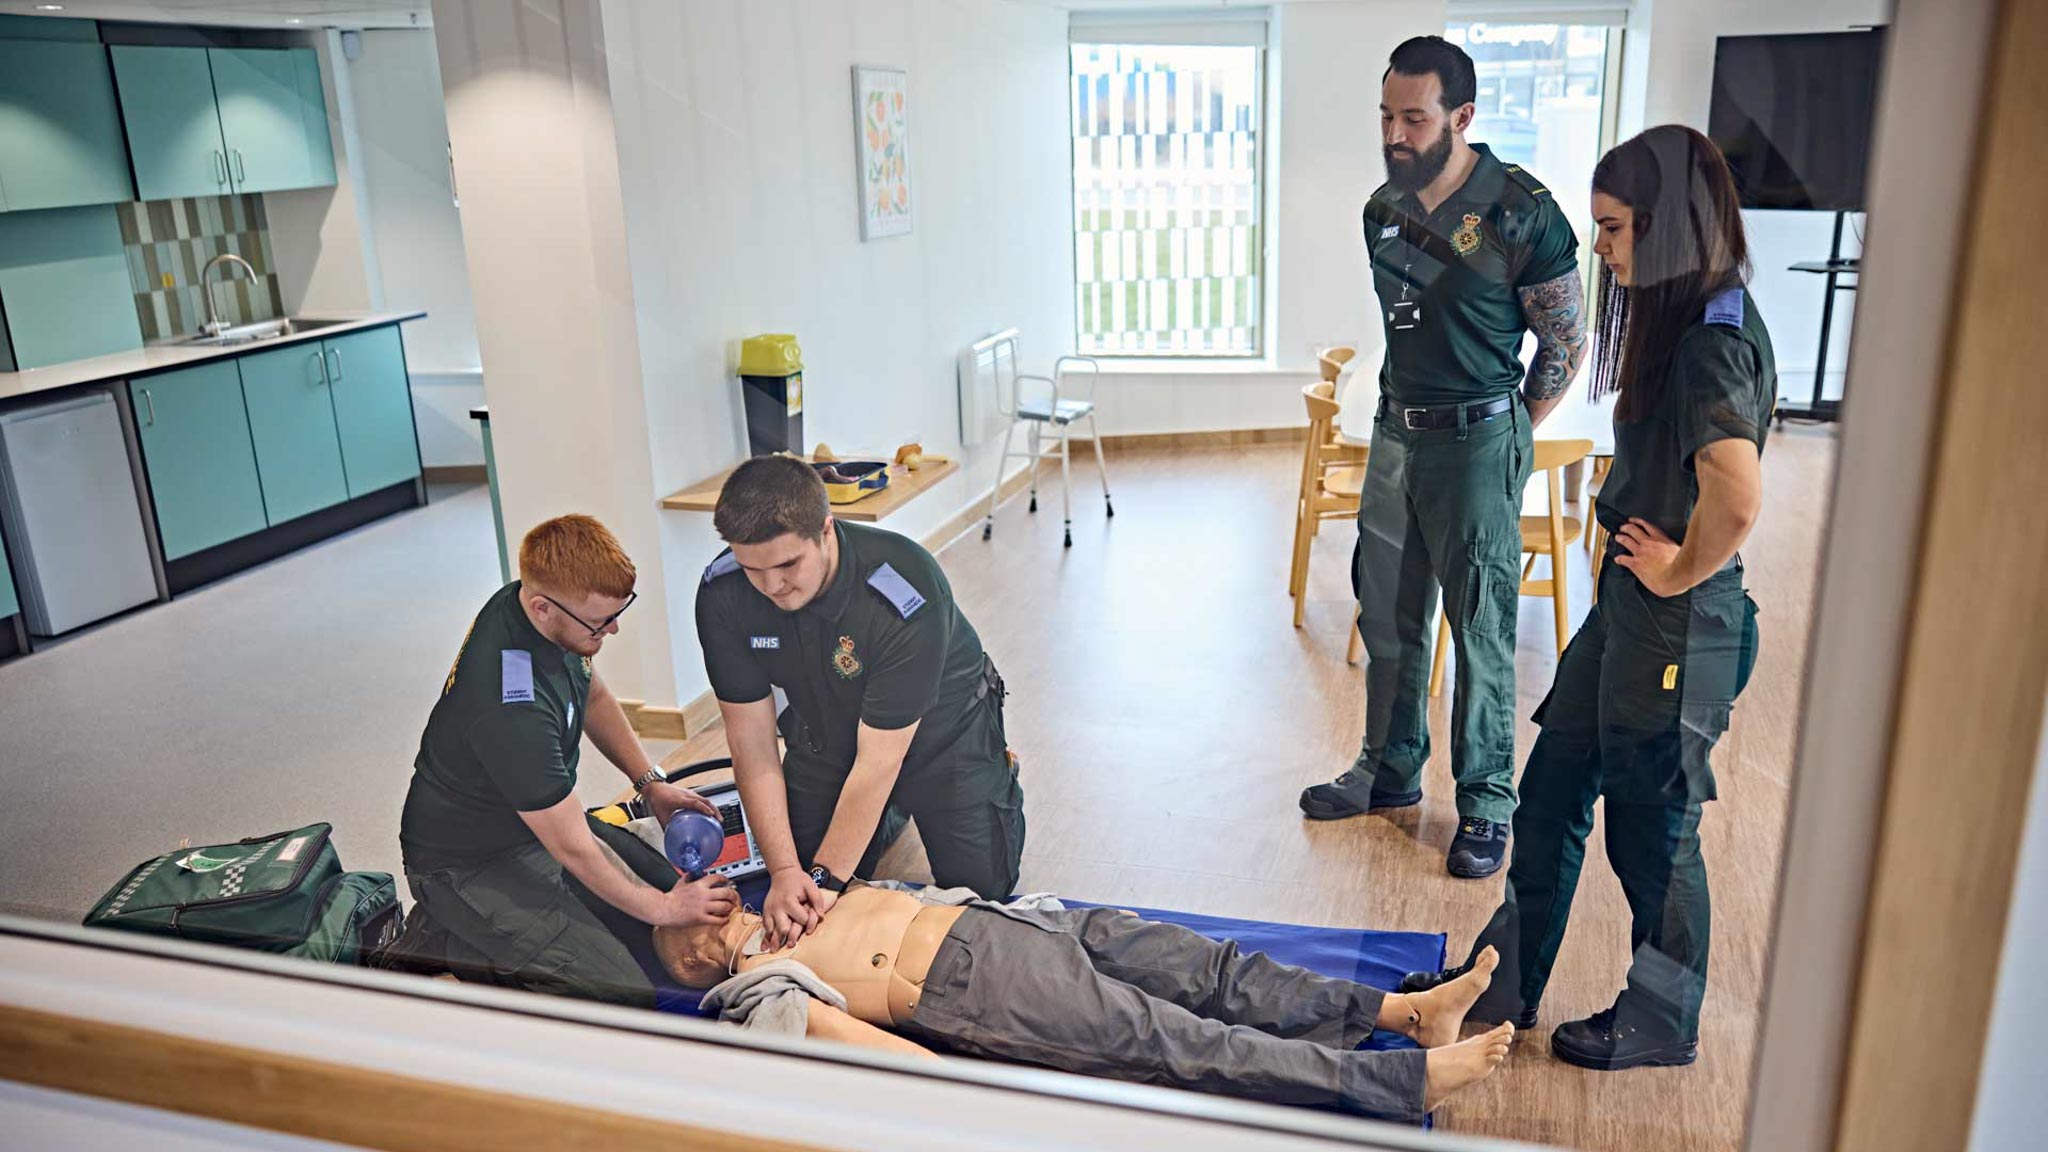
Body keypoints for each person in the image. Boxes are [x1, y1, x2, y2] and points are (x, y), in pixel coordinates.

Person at [1399, 125, 1773, 1072]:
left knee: (1651, 834)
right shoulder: (1688, 318)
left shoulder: (1713, 344)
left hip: (1680, 621)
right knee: (1555, 786)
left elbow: (1736, 492)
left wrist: (1677, 568)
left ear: (1671, 227)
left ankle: (1660, 1020)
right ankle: (1504, 984)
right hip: (1631, 611)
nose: (1599, 247)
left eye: (1613, 228)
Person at [1298, 35, 1590, 880]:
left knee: (1482, 630)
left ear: (1462, 117)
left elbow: (1565, 343)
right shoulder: (1381, 211)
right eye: (1386, 115)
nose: (1395, 133)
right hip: (1396, 433)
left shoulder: (1523, 212)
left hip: (1478, 440)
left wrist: (1512, 429)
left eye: (1414, 118)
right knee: (1387, 612)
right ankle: (1388, 771)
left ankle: (1487, 802)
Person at [655, 884, 1516, 1121]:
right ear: (692, 953)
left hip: (1018, 922)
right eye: (694, 901)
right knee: (1186, 1041)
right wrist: (953, 1086)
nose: (711, 890)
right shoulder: (747, 990)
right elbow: (827, 1029)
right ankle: (1403, 1086)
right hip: (978, 987)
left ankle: (1403, 1015)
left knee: (1210, 967)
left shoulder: (788, 900)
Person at [397, 515, 739, 1008]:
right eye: (602, 621)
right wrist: (662, 908)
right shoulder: (510, 709)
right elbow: (574, 849)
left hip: (534, 822)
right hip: (466, 866)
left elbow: (593, 697)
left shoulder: (541, 614)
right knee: (621, 992)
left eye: (619, 613)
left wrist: (650, 783)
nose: (615, 628)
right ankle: (450, 941)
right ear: (541, 608)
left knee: (678, 894)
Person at [696, 456, 1022, 950]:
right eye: (752, 569)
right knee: (794, 874)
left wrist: (825, 881)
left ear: (826, 529)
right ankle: (886, 814)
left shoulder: (903, 587)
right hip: (829, 731)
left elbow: (879, 762)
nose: (771, 586)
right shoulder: (724, 594)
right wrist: (789, 871)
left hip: (943, 735)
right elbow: (752, 747)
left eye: (787, 564)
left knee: (980, 893)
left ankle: (988, 779)